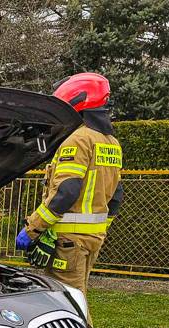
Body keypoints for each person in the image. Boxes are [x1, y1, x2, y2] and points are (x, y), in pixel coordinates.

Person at [16, 72, 124, 302]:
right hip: (91, 238)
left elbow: (66, 191)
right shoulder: (111, 142)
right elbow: (116, 195)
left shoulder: (77, 139)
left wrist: (33, 228)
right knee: (78, 296)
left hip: (68, 241)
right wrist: (97, 228)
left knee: (67, 303)